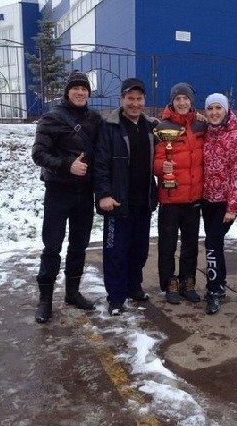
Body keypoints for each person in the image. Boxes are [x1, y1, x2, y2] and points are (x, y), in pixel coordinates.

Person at [31, 70, 103, 323]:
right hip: (58, 192)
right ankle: (45, 300)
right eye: (76, 88)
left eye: (84, 89)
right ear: (68, 91)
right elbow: (39, 154)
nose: (80, 92)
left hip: (84, 193)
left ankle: (72, 292)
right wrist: (67, 165)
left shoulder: (95, 119)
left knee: (79, 245)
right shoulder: (51, 118)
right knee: (52, 246)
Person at [94, 78, 160, 316]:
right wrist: (104, 194)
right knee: (116, 252)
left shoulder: (151, 126)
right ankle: (116, 297)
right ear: (121, 99)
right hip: (117, 202)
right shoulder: (109, 126)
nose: (134, 103)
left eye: (139, 99)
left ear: (144, 100)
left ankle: (134, 286)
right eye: (130, 98)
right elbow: (100, 164)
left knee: (139, 249)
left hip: (143, 201)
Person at [153, 82, 207, 304]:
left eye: (185, 98)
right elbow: (155, 160)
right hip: (170, 198)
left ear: (191, 101)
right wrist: (161, 167)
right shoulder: (162, 127)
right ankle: (169, 283)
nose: (182, 102)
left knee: (190, 244)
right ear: (172, 102)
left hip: (194, 197)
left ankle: (188, 281)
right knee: (167, 244)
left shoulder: (201, 125)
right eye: (178, 99)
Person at [201, 93, 237, 314]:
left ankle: (213, 291)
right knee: (216, 243)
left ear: (226, 110)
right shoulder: (206, 133)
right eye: (210, 108)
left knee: (211, 243)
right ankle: (219, 283)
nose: (214, 112)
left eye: (218, 108)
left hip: (225, 203)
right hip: (206, 200)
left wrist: (232, 207)